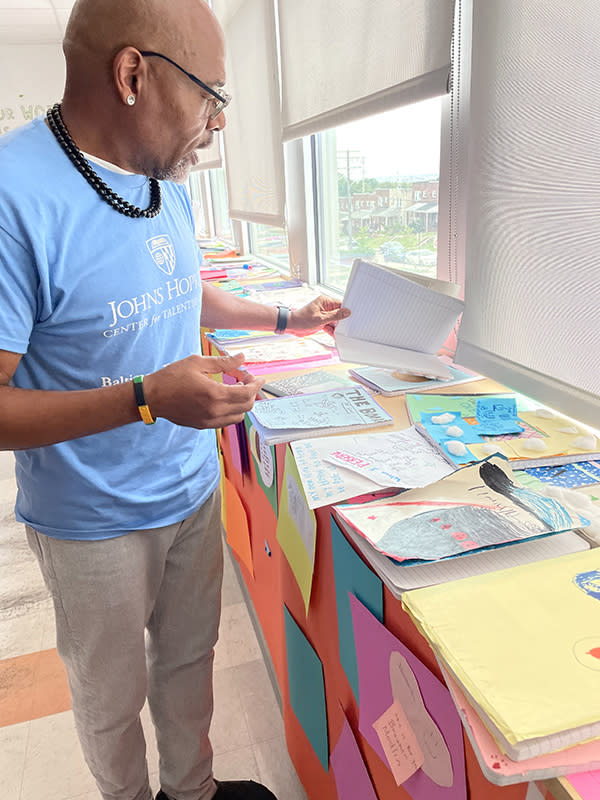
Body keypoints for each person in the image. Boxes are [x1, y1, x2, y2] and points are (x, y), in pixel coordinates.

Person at [0, 1, 349, 799]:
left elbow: (181, 291)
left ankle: (190, 792)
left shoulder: (164, 181)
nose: (219, 120)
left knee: (189, 666)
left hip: (189, 489)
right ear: (132, 75)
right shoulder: (14, 196)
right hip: (92, 522)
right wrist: (146, 398)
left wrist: (290, 314)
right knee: (110, 699)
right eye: (209, 94)